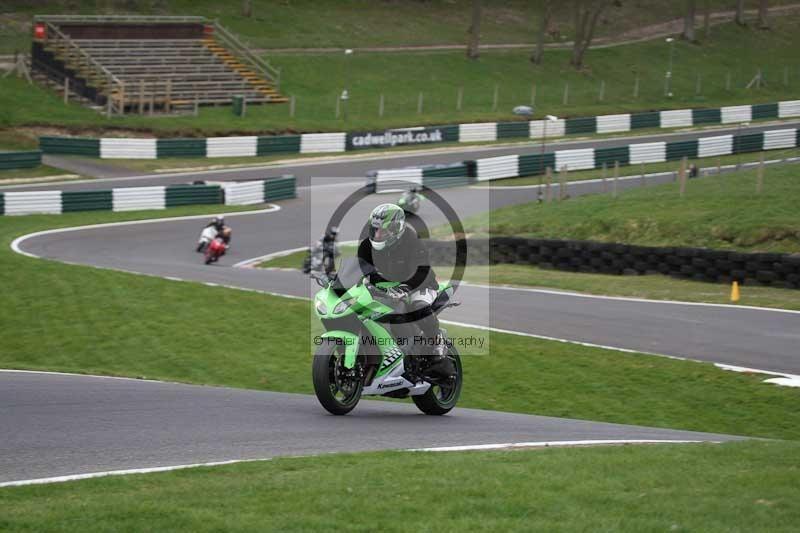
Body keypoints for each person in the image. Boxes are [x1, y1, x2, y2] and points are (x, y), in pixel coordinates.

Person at [357, 203, 455, 379]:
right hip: (387, 288)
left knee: (417, 305)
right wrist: (337, 280)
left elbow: (421, 271)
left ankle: (437, 344)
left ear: (396, 229)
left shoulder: (412, 242)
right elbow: (360, 268)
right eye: (375, 229)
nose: (377, 235)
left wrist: (406, 288)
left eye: (382, 231)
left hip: (421, 286)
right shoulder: (367, 245)